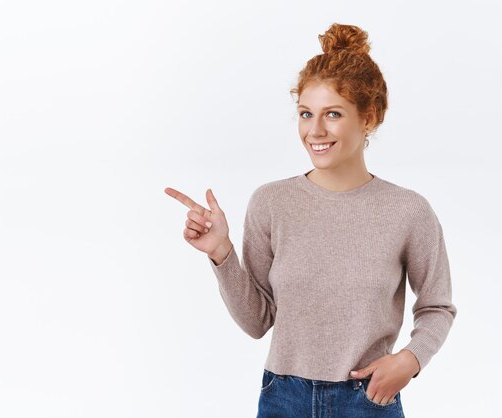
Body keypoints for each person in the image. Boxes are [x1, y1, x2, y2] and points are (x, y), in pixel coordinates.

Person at [164, 22, 457, 418]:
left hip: (369, 399)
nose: (314, 130)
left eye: (332, 114)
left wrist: (411, 359)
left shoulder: (408, 211)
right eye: (305, 113)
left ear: (368, 117)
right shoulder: (271, 203)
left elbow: (437, 306)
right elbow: (257, 322)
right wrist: (221, 252)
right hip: (283, 398)